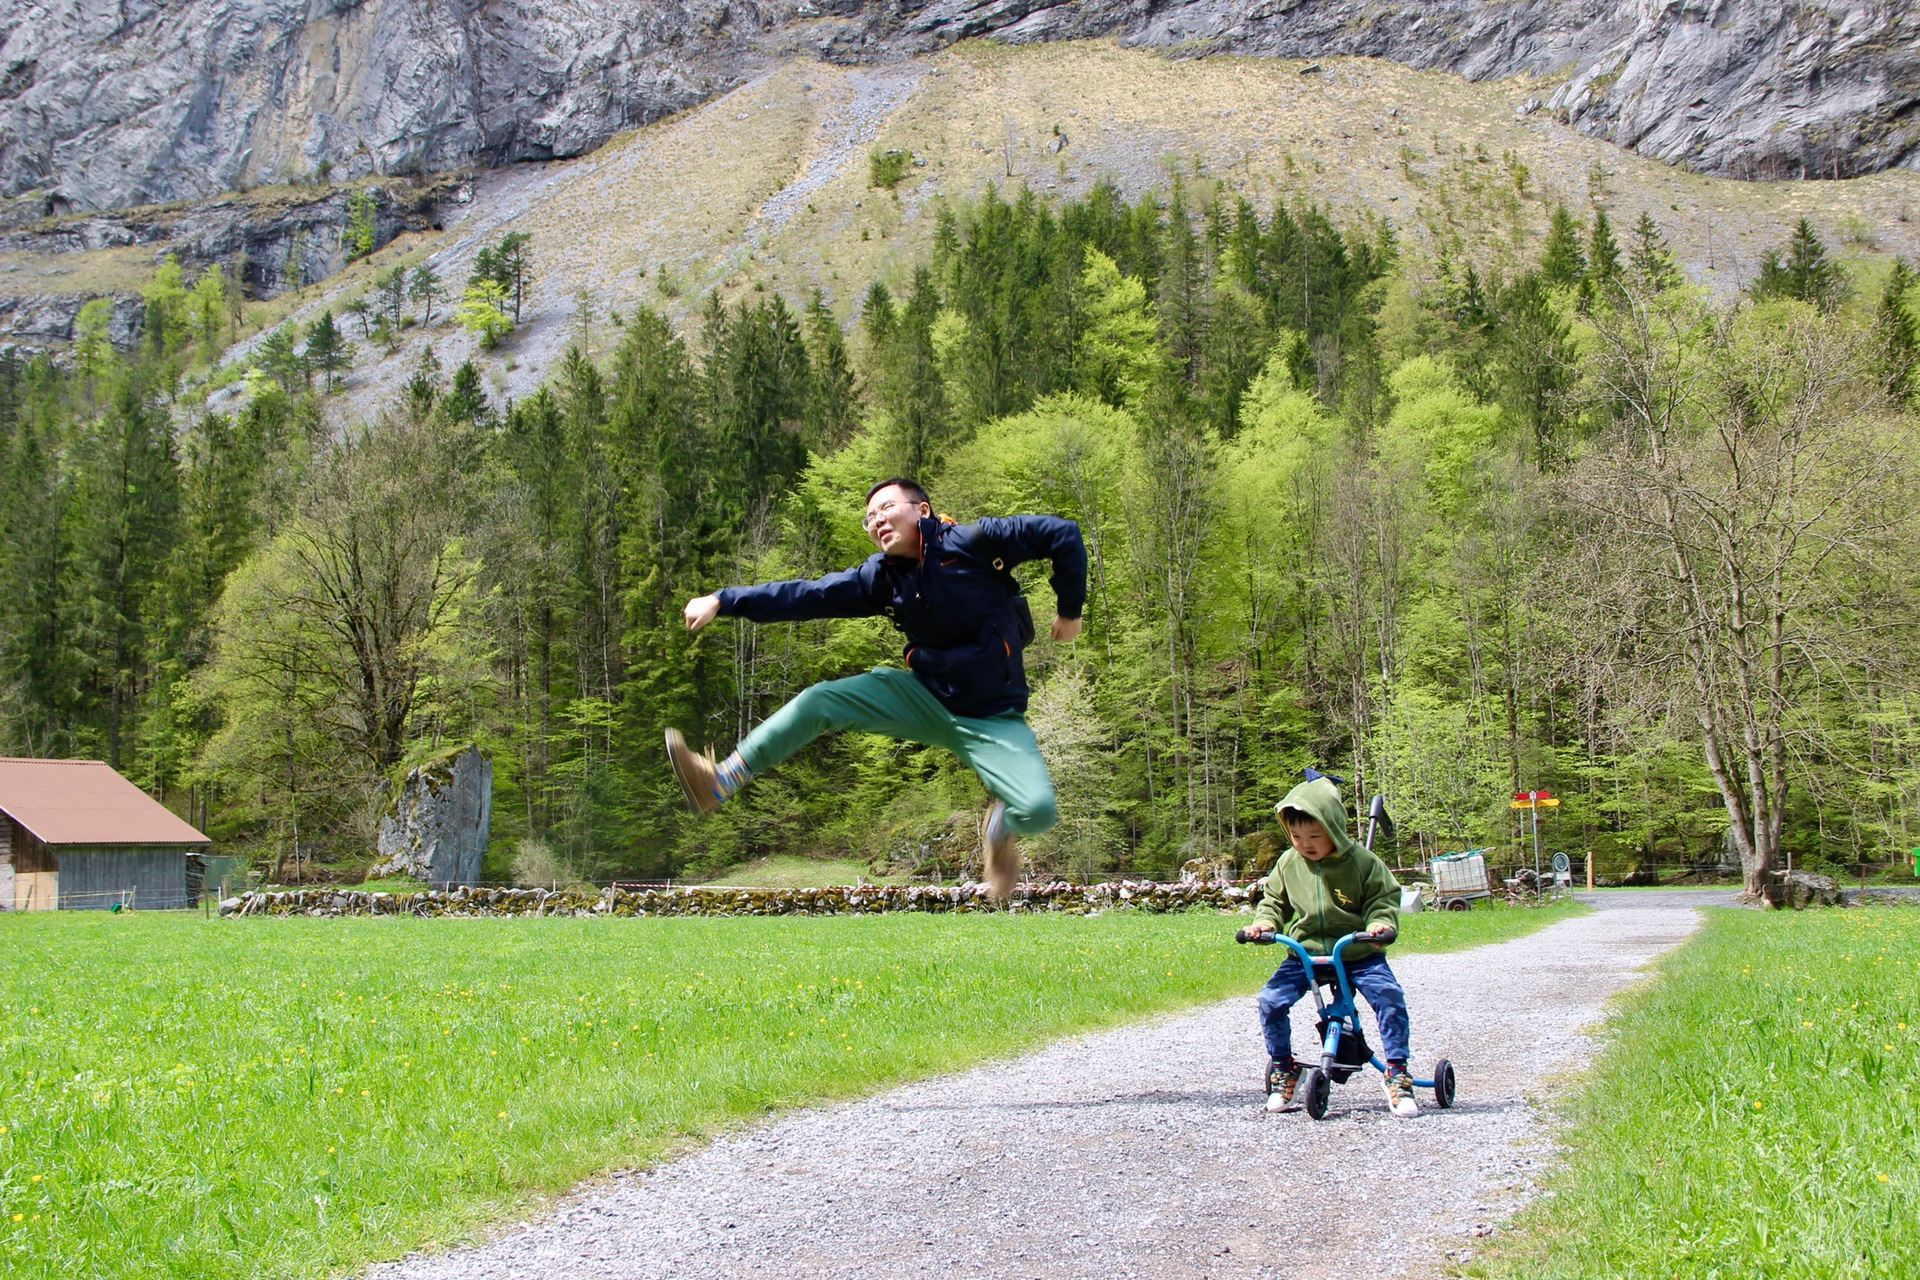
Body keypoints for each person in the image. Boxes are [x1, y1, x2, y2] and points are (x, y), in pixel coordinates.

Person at [665, 478, 1087, 898]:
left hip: (993, 717)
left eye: (886, 508)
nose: (876, 520)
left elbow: (1061, 533)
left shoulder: (976, 541)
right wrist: (724, 599)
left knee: (1036, 811)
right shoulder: (881, 579)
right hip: (924, 697)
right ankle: (721, 780)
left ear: (922, 510)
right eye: (869, 517)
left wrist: (1069, 609)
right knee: (821, 700)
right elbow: (807, 595)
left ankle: (1000, 827)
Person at [1241, 775, 1417, 1117]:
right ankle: (1284, 1066)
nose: (1305, 844)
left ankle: (1397, 1070)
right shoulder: (1289, 863)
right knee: (1270, 1000)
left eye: (1314, 836)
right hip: (1305, 953)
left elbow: (1383, 898)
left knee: (1389, 997)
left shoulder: (1362, 862)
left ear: (1334, 828)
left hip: (1357, 952)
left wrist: (1380, 924)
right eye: (1296, 836)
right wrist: (1265, 924)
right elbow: (1274, 901)